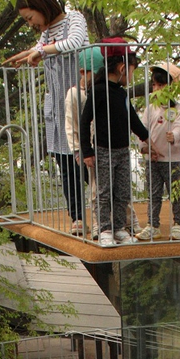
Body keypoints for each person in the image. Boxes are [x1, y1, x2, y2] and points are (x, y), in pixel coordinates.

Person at [6, 0, 90, 236]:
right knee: (65, 163)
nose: (30, 23)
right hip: (56, 106)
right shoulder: (45, 35)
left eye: (30, 17)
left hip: (79, 102)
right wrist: (30, 55)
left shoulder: (74, 19)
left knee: (88, 160)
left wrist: (39, 51)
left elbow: (73, 42)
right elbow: (39, 50)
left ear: (41, 7)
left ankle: (113, 209)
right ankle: (76, 216)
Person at [80, 38, 149, 248]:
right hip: (103, 151)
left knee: (122, 192)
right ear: (121, 68)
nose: (131, 76)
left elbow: (132, 120)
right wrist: (87, 151)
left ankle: (119, 228)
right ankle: (104, 229)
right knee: (103, 192)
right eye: (131, 70)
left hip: (123, 151)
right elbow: (85, 120)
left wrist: (146, 138)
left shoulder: (121, 93)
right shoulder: (99, 91)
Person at [137, 61, 180, 242]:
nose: (157, 89)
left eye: (161, 84)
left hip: (172, 160)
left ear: (172, 87)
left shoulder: (179, 108)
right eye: (154, 85)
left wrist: (173, 135)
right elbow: (141, 129)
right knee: (153, 193)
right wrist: (144, 147)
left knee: (175, 194)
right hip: (153, 160)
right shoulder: (150, 108)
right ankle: (153, 225)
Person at [64, 45, 104, 238]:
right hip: (87, 149)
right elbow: (70, 125)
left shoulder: (99, 91)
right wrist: (78, 150)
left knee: (109, 185)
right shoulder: (73, 94)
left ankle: (125, 220)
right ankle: (97, 223)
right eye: (94, 75)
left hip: (103, 146)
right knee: (95, 189)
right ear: (83, 72)